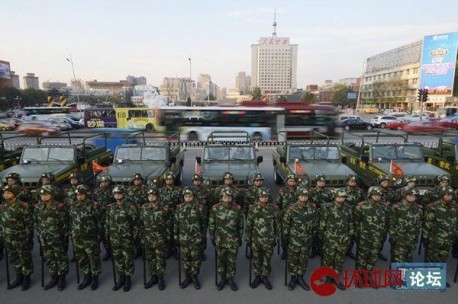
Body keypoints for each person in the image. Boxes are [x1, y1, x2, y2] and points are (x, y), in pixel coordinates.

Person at [34, 185, 69, 291]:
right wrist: (39, 234)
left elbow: (65, 223)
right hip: (44, 238)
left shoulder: (59, 206)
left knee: (60, 258)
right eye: (41, 195)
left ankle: (62, 277)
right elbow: (36, 222)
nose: (43, 197)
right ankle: (54, 277)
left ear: (52, 195)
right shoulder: (38, 207)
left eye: (46, 194)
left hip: (57, 237)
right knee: (50, 258)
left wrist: (64, 236)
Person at [209, 188, 243, 291]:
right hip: (220, 239)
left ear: (232, 198)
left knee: (231, 260)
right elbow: (211, 223)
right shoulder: (215, 208)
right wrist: (212, 236)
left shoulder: (237, 209)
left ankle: (230, 278)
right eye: (225, 197)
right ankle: (223, 278)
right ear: (221, 197)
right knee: (221, 260)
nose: (227, 199)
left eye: (229, 197)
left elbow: (241, 225)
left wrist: (239, 237)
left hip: (233, 240)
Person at [0, 185, 33, 290]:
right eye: (4, 193)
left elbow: (28, 224)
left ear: (14, 194)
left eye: (8, 193)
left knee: (24, 258)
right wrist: (2, 236)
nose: (5, 195)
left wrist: (28, 238)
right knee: (14, 258)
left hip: (20, 237)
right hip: (8, 238)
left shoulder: (23, 206)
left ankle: (27, 278)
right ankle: (19, 277)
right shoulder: (3, 206)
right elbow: (2, 223)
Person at [68, 185, 101, 290]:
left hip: (90, 237)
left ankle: (95, 277)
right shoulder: (73, 206)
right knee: (82, 258)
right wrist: (71, 234)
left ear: (86, 194)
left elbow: (100, 221)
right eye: (77, 195)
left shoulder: (93, 205)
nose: (79, 197)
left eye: (81, 194)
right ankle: (87, 276)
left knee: (93, 258)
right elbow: (71, 221)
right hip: (77, 237)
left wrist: (99, 236)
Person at [318, 190, 353, 291]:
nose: (341, 199)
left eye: (343, 197)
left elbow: (350, 223)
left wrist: (349, 235)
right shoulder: (327, 207)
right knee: (328, 259)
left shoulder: (348, 208)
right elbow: (322, 223)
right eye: (339, 197)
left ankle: (335, 277)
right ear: (334, 197)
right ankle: (328, 277)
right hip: (330, 239)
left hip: (343, 239)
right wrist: (320, 236)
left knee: (339, 260)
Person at [106, 186, 139, 292]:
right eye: (115, 194)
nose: (117, 196)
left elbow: (135, 224)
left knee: (128, 259)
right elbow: (107, 223)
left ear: (124, 194)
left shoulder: (130, 207)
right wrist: (107, 235)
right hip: (115, 238)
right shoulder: (111, 207)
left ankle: (128, 279)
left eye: (119, 194)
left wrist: (133, 237)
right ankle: (121, 277)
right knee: (118, 259)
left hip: (126, 239)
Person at [283, 188, 317, 291]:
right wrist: (285, 238)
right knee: (293, 260)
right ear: (298, 196)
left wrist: (314, 237)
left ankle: (300, 277)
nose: (304, 198)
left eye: (306, 196)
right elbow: (286, 224)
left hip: (306, 240)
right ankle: (293, 279)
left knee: (303, 260)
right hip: (294, 239)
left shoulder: (311, 208)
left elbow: (315, 223)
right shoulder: (291, 209)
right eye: (302, 196)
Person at [423, 186, 457, 288]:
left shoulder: (455, 207)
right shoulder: (433, 207)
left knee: (443, 259)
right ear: (442, 195)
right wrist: (425, 237)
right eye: (447, 195)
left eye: (451, 195)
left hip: (448, 239)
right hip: (435, 238)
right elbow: (427, 223)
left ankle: (439, 278)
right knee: (432, 258)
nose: (449, 197)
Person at [353, 187, 386, 287]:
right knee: (362, 258)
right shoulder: (361, 207)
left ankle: (368, 276)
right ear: (370, 195)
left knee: (372, 258)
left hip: (377, 238)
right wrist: (357, 236)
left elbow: (384, 223)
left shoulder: (382, 207)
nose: (377, 197)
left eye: (378, 195)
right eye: (375, 195)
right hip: (364, 237)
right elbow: (356, 222)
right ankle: (359, 277)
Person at [174, 188, 206, 289]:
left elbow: (203, 223)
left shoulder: (199, 208)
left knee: (195, 258)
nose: (188, 198)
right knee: (185, 258)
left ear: (193, 197)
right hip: (183, 238)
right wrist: (175, 236)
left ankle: (195, 276)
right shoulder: (179, 208)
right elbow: (176, 223)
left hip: (196, 238)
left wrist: (203, 235)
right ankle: (188, 277)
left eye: (190, 196)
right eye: (186, 196)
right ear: (183, 197)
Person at [246, 190, 279, 290]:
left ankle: (264, 277)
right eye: (262, 197)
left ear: (268, 197)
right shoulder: (253, 209)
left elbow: (277, 225)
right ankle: (257, 277)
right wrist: (248, 239)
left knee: (266, 259)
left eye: (266, 197)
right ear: (259, 197)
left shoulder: (273, 209)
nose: (264, 198)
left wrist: (276, 238)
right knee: (256, 259)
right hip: (256, 239)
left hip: (268, 239)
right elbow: (249, 225)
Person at [140, 187, 170, 290]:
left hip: (160, 239)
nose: (151, 197)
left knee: (160, 259)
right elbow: (141, 224)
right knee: (151, 259)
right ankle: (153, 277)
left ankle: (160, 278)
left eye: (153, 195)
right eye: (149, 196)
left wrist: (168, 238)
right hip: (148, 239)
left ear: (157, 196)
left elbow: (168, 224)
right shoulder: (144, 208)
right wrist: (141, 237)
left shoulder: (163, 209)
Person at [388, 188, 422, 263]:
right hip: (399, 239)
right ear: (404, 195)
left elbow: (418, 224)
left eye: (414, 196)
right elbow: (391, 223)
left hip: (412, 240)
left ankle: (405, 274)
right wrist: (393, 237)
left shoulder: (418, 209)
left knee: (408, 260)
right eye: (410, 195)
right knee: (397, 261)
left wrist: (416, 237)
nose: (412, 197)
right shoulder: (397, 208)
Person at [308, 173, 333, 258]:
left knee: (323, 232)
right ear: (316, 182)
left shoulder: (329, 192)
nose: (321, 183)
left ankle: (321, 249)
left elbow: (333, 203)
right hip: (314, 215)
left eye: (323, 181)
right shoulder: (311, 192)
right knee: (314, 232)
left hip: (325, 215)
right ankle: (313, 249)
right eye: (320, 181)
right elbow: (306, 202)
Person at [159, 172, 182, 259]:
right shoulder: (161, 191)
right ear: (165, 181)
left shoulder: (178, 190)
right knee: (167, 233)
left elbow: (181, 203)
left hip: (175, 215)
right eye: (167, 180)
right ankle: (168, 250)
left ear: (173, 180)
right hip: (165, 216)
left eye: (170, 179)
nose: (169, 181)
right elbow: (158, 203)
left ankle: (175, 249)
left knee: (175, 233)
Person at [276, 174, 298, 260]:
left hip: (296, 218)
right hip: (284, 217)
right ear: (287, 181)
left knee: (295, 235)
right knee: (285, 235)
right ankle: (285, 250)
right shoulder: (282, 191)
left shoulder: (299, 191)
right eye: (290, 181)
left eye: (293, 181)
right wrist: (279, 215)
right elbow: (278, 204)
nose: (292, 183)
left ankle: (294, 251)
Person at [93, 174, 115, 261]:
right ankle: (108, 252)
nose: (104, 183)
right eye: (102, 182)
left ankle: (113, 252)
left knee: (111, 235)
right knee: (102, 235)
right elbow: (94, 201)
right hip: (100, 216)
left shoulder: (113, 191)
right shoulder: (97, 192)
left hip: (110, 216)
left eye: (106, 181)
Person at [343, 174, 365, 259]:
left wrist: (361, 204)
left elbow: (364, 201)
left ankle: (349, 251)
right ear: (347, 182)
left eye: (354, 181)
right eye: (351, 181)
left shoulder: (359, 191)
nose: (353, 183)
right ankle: (343, 251)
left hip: (356, 217)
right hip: (345, 216)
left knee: (353, 235)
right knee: (344, 235)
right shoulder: (343, 191)